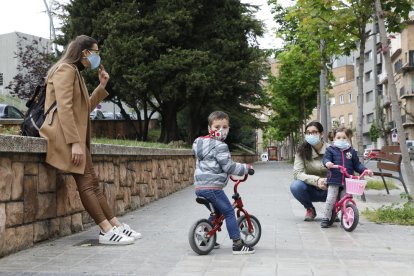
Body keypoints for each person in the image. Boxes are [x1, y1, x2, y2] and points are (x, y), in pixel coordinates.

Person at [40, 35, 141, 245]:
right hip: (66, 137)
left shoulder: (75, 72)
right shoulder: (66, 70)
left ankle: (115, 225)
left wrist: (102, 85)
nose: (97, 56)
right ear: (85, 52)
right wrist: (75, 142)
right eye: (95, 51)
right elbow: (65, 108)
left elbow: (83, 108)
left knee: (93, 184)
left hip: (76, 136)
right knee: (87, 185)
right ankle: (106, 230)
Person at [192, 111, 255, 255]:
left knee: (217, 212)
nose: (221, 130)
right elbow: (229, 167)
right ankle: (238, 244)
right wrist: (246, 168)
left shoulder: (200, 144)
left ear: (229, 128)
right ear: (209, 128)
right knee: (228, 212)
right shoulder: (220, 146)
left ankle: (208, 238)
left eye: (224, 127)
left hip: (200, 187)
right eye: (217, 127)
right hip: (213, 187)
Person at [321, 127, 373, 228]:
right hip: (334, 179)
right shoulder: (330, 150)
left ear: (348, 138)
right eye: (338, 137)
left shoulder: (351, 151)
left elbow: (357, 164)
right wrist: (328, 163)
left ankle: (344, 217)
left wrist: (365, 170)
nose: (341, 140)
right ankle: (326, 217)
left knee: (345, 199)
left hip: (347, 180)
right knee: (331, 198)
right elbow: (326, 159)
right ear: (334, 138)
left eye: (344, 138)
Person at [291, 121, 329, 221]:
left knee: (344, 183)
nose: (311, 135)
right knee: (296, 186)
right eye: (308, 132)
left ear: (321, 134)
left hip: (330, 188)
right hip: (310, 189)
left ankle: (334, 209)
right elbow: (297, 173)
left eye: (314, 132)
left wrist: (327, 181)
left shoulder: (331, 150)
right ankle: (310, 209)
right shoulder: (301, 151)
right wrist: (316, 180)